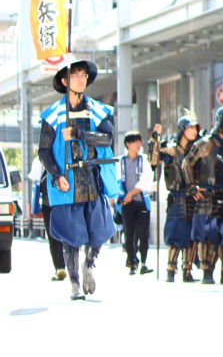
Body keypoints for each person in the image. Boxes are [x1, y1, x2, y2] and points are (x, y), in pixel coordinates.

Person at [37, 59, 120, 300]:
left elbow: (107, 139)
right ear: (65, 81)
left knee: (101, 230)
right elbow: (43, 151)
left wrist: (81, 134)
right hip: (66, 182)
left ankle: (89, 265)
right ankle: (73, 282)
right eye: (75, 75)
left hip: (93, 178)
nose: (81, 79)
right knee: (70, 236)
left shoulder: (98, 110)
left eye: (84, 75)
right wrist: (56, 174)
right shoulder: (52, 115)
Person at [183, 105, 223, 284]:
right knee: (206, 236)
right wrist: (192, 187)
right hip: (207, 194)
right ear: (221, 122)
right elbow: (186, 164)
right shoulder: (205, 143)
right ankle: (207, 271)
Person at [149, 115, 200, 282]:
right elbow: (153, 159)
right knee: (175, 234)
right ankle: (171, 268)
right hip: (177, 197)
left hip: (193, 198)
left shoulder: (196, 150)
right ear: (183, 130)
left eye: (195, 128)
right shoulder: (170, 150)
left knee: (190, 236)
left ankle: (187, 269)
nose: (194, 131)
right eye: (190, 128)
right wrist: (154, 140)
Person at [117, 130, 153, 275]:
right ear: (128, 144)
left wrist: (131, 194)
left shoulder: (143, 160)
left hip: (141, 201)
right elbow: (117, 181)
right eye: (134, 142)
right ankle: (132, 261)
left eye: (139, 141)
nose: (138, 144)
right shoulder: (120, 161)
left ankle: (144, 262)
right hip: (126, 203)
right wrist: (122, 197)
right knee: (129, 233)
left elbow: (146, 179)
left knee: (143, 233)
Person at [27, 157, 66, 281]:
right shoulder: (40, 161)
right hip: (50, 203)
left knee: (58, 235)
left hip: (59, 202)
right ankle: (60, 267)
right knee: (54, 235)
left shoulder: (60, 155)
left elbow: (36, 184)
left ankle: (63, 266)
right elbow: (36, 184)